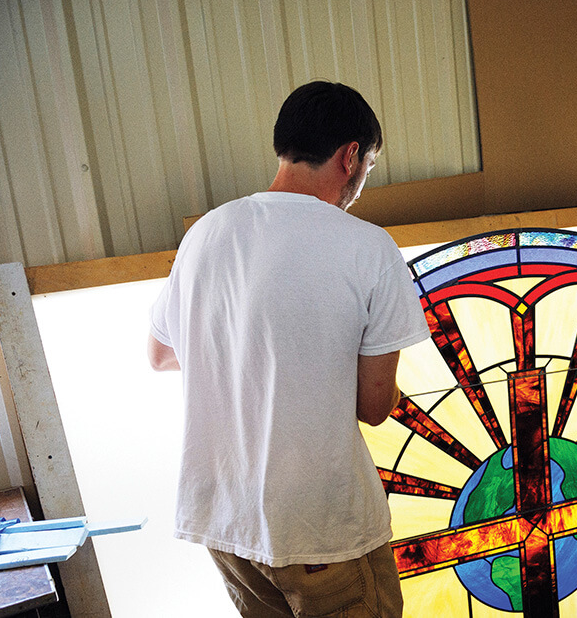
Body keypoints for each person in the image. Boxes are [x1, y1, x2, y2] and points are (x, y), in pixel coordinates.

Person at [148, 81, 429, 617]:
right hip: (318, 528)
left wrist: (247, 353)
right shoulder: (367, 247)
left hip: (225, 518)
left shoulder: (208, 232)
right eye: (369, 164)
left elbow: (161, 353)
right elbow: (374, 407)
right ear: (351, 156)